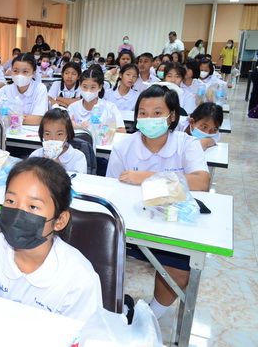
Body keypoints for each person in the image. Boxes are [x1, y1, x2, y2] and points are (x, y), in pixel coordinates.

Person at [106, 85, 210, 319]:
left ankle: (150, 317)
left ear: (172, 116)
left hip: (173, 222)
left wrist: (143, 178)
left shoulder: (186, 143)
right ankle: (108, 310)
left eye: (156, 113)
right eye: (142, 113)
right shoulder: (124, 144)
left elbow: (202, 182)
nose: (148, 119)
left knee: (178, 269)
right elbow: (111, 187)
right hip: (131, 222)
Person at [0, 157, 102, 322]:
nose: (17, 215)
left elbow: (80, 339)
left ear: (59, 221)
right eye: (11, 201)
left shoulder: (79, 280)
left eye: (33, 206)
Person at [0, 54, 48, 125]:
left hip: (30, 133)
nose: (20, 75)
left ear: (34, 73)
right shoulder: (5, 89)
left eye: (25, 71)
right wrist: (18, 118)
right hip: (8, 132)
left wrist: (7, 117)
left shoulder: (40, 88)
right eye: (15, 71)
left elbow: (38, 119)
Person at [68, 66, 126, 133]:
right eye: (84, 87)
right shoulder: (72, 107)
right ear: (80, 86)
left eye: (93, 87)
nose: (88, 91)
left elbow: (122, 131)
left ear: (100, 87)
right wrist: (72, 128)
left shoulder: (110, 107)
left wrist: (97, 127)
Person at [29, 109, 87, 174]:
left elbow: (79, 182)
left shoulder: (78, 157)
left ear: (67, 134)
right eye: (48, 134)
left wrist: (59, 168)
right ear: (42, 134)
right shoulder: (36, 155)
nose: (53, 138)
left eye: (59, 134)